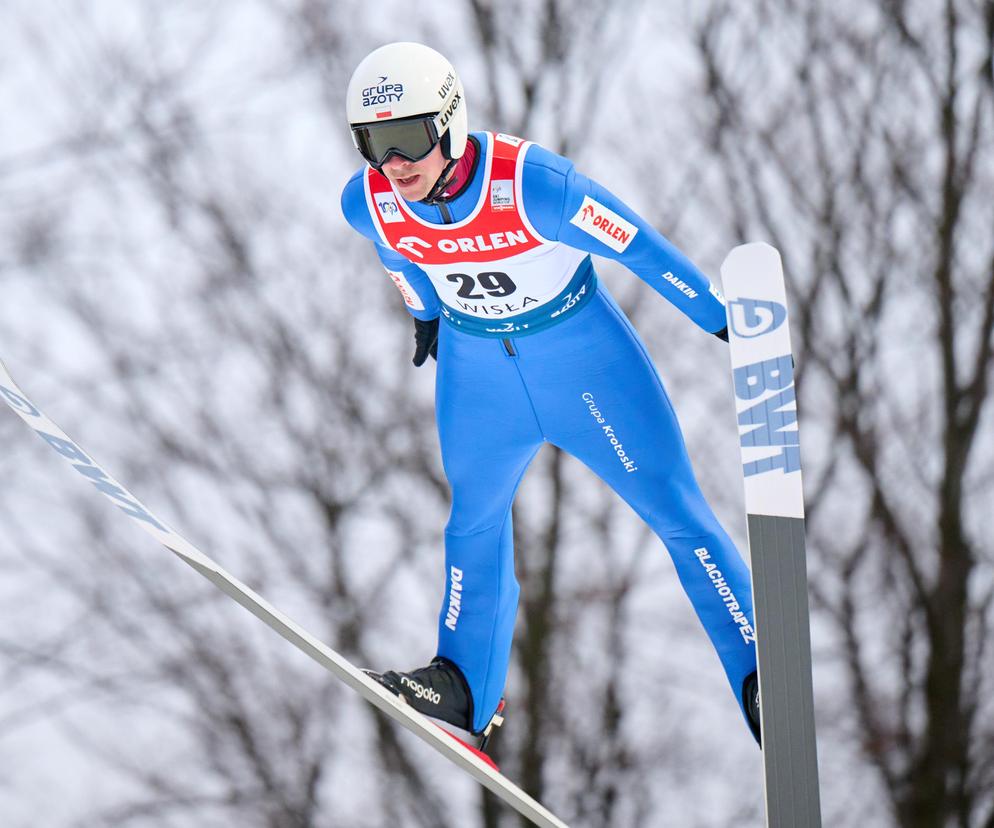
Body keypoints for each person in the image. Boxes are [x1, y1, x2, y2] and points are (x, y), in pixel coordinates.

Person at [340, 41, 760, 748]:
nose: (393, 163)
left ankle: (758, 669)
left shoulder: (537, 185)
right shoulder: (371, 203)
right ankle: (465, 685)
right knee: (473, 518)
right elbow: (398, 258)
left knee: (674, 507)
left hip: (583, 363)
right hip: (480, 376)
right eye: (372, 144)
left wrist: (722, 318)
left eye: (407, 138)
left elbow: (640, 246)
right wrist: (423, 316)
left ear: (448, 121)